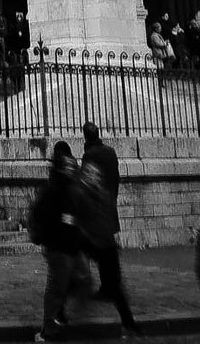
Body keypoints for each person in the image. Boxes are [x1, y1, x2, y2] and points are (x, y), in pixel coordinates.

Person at [76, 123, 140, 333]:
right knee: (107, 257)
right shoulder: (111, 152)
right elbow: (116, 176)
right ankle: (110, 292)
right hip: (109, 201)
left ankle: (89, 287)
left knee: (89, 251)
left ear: (86, 136)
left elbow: (85, 184)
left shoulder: (90, 157)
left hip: (96, 215)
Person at [28, 141, 83, 342]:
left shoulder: (67, 187)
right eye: (67, 167)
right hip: (59, 246)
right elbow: (43, 215)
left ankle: (57, 317)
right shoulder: (55, 190)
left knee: (72, 282)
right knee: (58, 286)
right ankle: (49, 327)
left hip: (67, 245)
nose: (71, 169)